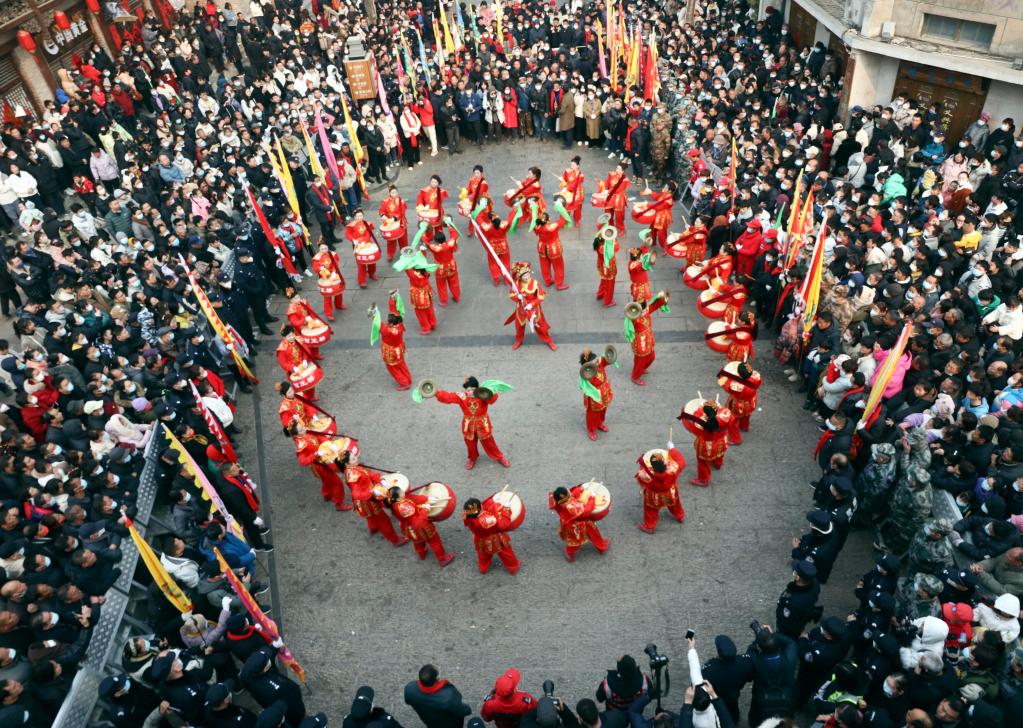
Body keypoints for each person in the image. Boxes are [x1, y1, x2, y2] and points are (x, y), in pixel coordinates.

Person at [433, 377, 510, 469]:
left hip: (483, 425)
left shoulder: (482, 394)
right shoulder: (462, 396)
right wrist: (436, 393)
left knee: (489, 443)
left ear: (477, 388)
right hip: (468, 426)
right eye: (468, 390)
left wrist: (491, 392)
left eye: (473, 389)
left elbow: (492, 400)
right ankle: (472, 458)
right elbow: (448, 397)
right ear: (465, 390)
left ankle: (499, 457)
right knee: (470, 444)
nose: (470, 392)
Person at [341, 449, 405, 546]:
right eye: (353, 459)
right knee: (383, 521)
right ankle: (395, 540)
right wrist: (372, 492)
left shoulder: (352, 469)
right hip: (368, 500)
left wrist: (380, 480)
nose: (356, 458)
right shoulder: (353, 476)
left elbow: (368, 474)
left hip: (366, 499)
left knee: (370, 516)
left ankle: (373, 527)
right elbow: (356, 494)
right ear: (347, 464)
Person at [387, 486, 455, 567]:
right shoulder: (404, 507)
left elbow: (413, 510)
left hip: (409, 529)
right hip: (420, 528)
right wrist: (425, 510)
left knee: (418, 541)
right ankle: (442, 559)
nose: (403, 492)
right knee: (434, 541)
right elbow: (417, 522)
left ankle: (421, 553)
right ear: (397, 498)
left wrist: (423, 505)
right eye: (401, 492)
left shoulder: (395, 503)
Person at [634, 441, 687, 533]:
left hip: (654, 496)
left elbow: (641, 479)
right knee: (675, 504)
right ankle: (680, 515)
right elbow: (681, 461)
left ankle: (650, 526)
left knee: (651, 511)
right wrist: (672, 449)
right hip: (670, 492)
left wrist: (643, 466)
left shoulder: (646, 474)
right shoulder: (673, 469)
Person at [549, 485, 610, 562]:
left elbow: (572, 496)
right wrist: (592, 498)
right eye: (567, 492)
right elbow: (587, 510)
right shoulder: (571, 507)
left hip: (570, 522)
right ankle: (601, 547)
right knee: (579, 540)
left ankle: (601, 546)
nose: (569, 492)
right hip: (577, 526)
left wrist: (579, 489)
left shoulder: (559, 500)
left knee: (578, 540)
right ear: (564, 496)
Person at [462, 497, 521, 575]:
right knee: (506, 553)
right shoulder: (487, 521)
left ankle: (483, 568)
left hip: (480, 539)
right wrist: (506, 509)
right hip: (495, 539)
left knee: (483, 555)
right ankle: (513, 567)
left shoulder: (468, 514)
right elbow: (502, 524)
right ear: (481, 508)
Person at [680, 401, 732, 486]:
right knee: (720, 454)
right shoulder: (726, 413)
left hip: (707, 445)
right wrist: (718, 407)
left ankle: (703, 479)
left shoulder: (701, 421)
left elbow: (695, 418)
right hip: (722, 440)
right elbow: (727, 416)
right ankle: (718, 464)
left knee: (703, 462)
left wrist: (701, 408)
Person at [404, 664, 473, 728]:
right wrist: (468, 709)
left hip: (430, 721)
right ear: (436, 679)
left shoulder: (409, 689)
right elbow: (462, 710)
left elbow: (408, 701)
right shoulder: (449, 696)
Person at [507, 262, 556, 351]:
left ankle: (549, 340)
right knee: (519, 326)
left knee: (540, 325)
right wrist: (517, 297)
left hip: (533, 309)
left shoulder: (535, 283)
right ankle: (518, 340)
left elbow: (541, 296)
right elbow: (512, 294)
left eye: (527, 275)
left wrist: (532, 304)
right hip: (521, 308)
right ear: (520, 277)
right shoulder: (517, 284)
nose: (526, 277)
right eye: (524, 276)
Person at [627, 291, 669, 385]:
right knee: (640, 359)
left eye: (642, 299)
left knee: (651, 357)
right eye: (639, 300)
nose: (641, 300)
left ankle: (641, 368)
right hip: (640, 341)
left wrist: (663, 299)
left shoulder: (646, 309)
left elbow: (654, 305)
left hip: (648, 338)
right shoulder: (633, 316)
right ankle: (635, 376)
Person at [775, 559, 822, 640]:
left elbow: (787, 624)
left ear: (797, 577)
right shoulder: (815, 583)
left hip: (790, 627)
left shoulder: (793, 603)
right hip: (803, 612)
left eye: (794, 571)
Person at [719, 361, 762, 445]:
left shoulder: (737, 386)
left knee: (732, 420)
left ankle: (736, 439)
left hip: (738, 405)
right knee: (746, 415)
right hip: (751, 401)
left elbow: (725, 385)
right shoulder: (756, 375)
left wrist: (722, 376)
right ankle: (744, 426)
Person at [378, 294, 412, 390]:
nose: (387, 321)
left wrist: (374, 315)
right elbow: (394, 310)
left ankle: (404, 383)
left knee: (392, 368)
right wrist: (392, 299)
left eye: (388, 321)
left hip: (391, 351)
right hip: (399, 348)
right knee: (401, 363)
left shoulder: (388, 331)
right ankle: (408, 378)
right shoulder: (399, 324)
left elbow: (379, 324)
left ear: (392, 323)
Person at [533, 208, 571, 291]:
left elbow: (536, 232)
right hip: (553, 248)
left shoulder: (537, 227)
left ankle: (547, 281)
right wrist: (565, 210)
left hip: (542, 247)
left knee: (544, 265)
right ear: (547, 221)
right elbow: (562, 220)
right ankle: (559, 284)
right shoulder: (552, 227)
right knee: (558, 266)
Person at [427, 219, 462, 306]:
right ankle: (456, 296)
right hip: (451, 265)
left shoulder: (435, 248)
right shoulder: (450, 244)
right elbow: (455, 234)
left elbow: (425, 242)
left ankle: (443, 301)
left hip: (440, 268)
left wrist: (424, 231)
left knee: (441, 285)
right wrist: (449, 225)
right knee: (454, 282)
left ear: (436, 241)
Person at [311, 240, 347, 321]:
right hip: (324, 277)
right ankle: (328, 313)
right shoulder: (316, 258)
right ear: (319, 250)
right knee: (327, 296)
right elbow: (315, 268)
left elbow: (335, 263)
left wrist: (334, 271)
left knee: (339, 290)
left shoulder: (332, 254)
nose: (324, 250)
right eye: (322, 249)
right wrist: (320, 268)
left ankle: (339, 304)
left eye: (325, 248)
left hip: (333, 274)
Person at [345, 209, 380, 288]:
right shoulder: (351, 225)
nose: (359, 217)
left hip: (367, 243)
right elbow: (348, 234)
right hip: (357, 246)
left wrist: (364, 241)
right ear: (354, 217)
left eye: (361, 216)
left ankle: (372, 273)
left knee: (371, 260)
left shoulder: (367, 224)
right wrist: (353, 240)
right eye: (357, 216)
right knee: (361, 263)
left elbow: (368, 234)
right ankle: (362, 280)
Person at [378, 185, 409, 261]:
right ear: (389, 193)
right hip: (390, 223)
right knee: (390, 240)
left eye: (395, 192)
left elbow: (402, 212)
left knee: (403, 239)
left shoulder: (401, 201)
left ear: (398, 192)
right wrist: (383, 215)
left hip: (400, 221)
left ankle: (404, 251)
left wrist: (394, 218)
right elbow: (381, 210)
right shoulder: (385, 201)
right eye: (392, 192)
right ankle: (390, 254)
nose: (394, 194)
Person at [406, 265, 438, 335]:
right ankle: (433, 323)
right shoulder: (426, 272)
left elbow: (406, 267)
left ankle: (426, 328)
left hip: (418, 295)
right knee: (430, 309)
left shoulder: (413, 274)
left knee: (421, 313)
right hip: (427, 293)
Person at [599, 162, 630, 234]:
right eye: (617, 168)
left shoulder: (625, 179)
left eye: (619, 169)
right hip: (610, 197)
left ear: (623, 171)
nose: (617, 170)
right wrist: (602, 184)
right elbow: (607, 182)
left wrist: (608, 191)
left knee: (619, 215)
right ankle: (610, 225)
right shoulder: (612, 174)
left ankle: (621, 228)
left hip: (619, 198)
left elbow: (618, 189)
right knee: (608, 212)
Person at [593, 231, 619, 307]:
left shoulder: (599, 246)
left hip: (601, 265)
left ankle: (600, 294)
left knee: (603, 280)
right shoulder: (605, 248)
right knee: (610, 285)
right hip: (608, 268)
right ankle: (607, 301)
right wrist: (613, 239)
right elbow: (617, 246)